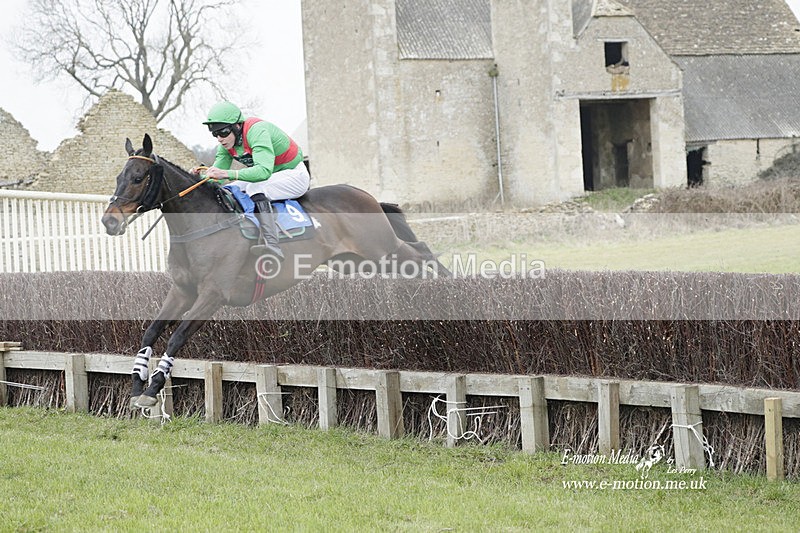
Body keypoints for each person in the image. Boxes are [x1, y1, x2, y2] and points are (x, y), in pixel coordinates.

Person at [192, 101, 310, 260]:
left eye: (224, 132)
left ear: (237, 126)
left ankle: (272, 244)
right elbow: (216, 180)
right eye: (215, 134)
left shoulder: (257, 131)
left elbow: (263, 171)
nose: (220, 138)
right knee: (230, 189)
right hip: (273, 177)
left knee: (256, 189)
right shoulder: (226, 145)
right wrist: (197, 177)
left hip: (294, 175)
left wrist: (226, 173)